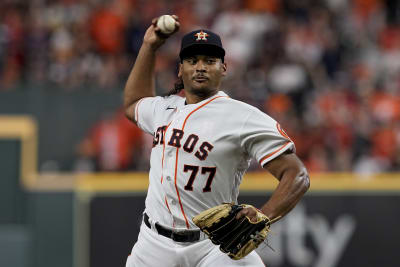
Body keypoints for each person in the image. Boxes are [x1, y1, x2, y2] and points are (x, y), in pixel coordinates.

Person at [123, 15, 310, 267]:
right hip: (153, 243)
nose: (200, 67)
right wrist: (149, 47)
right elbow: (134, 103)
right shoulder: (164, 108)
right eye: (192, 60)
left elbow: (297, 174)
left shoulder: (243, 117)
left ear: (223, 68)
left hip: (215, 245)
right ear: (180, 68)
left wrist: (264, 215)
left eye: (210, 61)